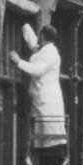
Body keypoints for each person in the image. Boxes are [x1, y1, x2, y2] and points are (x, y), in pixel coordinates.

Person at [10, 24, 67, 157]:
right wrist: (25, 25)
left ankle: (51, 163)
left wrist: (18, 61)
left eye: (39, 35)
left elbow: (37, 70)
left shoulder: (50, 53)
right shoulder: (44, 49)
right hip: (41, 102)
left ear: (42, 36)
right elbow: (33, 43)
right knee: (43, 140)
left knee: (50, 142)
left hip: (47, 103)